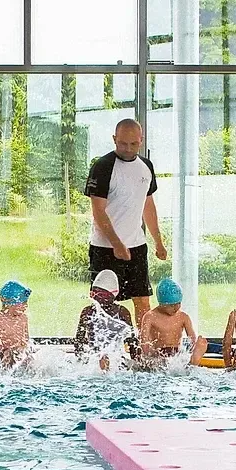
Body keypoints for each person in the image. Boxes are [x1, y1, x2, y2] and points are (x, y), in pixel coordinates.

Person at [84, 119, 168, 328]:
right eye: (122, 144)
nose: (128, 149)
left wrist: (158, 241)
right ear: (114, 139)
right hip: (105, 248)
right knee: (102, 304)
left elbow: (148, 206)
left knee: (142, 301)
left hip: (136, 246)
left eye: (133, 144)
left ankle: (142, 350)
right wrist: (117, 244)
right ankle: (101, 352)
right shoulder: (102, 167)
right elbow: (98, 211)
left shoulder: (146, 166)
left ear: (141, 140)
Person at [73, 269, 138, 370]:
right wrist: (80, 361)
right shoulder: (87, 312)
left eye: (101, 295)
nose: (96, 298)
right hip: (94, 359)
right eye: (93, 294)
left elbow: (131, 341)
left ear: (113, 295)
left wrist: (136, 362)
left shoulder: (122, 313)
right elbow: (79, 341)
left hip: (116, 360)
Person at [138, 278, 206, 369]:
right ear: (161, 303)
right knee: (151, 364)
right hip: (157, 354)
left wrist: (195, 346)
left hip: (176, 355)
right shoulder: (150, 316)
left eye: (178, 303)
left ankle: (193, 360)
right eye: (171, 305)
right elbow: (144, 342)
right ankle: (191, 364)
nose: (176, 308)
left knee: (181, 364)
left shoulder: (183, 317)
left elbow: (192, 339)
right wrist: (147, 354)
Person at [0, 280, 32, 369]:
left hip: (21, 354)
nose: (26, 306)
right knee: (9, 354)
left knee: (31, 359)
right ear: (10, 303)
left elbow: (26, 340)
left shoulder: (23, 318)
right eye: (23, 302)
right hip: (5, 355)